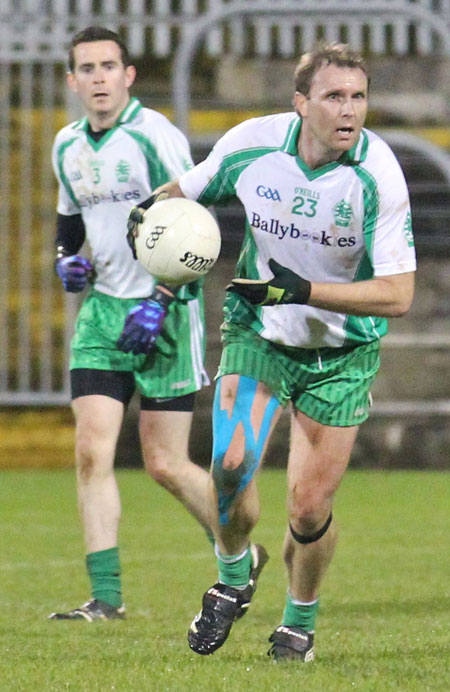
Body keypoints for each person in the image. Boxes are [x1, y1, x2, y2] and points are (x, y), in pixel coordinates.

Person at [150, 42, 416, 659]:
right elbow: (182, 194)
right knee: (232, 463)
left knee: (307, 508)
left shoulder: (377, 175)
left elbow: (400, 294)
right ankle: (234, 574)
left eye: (358, 97)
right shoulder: (253, 144)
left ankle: (298, 622)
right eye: (333, 97)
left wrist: (303, 290)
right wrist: (151, 222)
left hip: (341, 357)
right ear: (301, 104)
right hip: (259, 334)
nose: (349, 111)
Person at [48, 25, 217, 622]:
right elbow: (70, 225)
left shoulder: (156, 138)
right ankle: (106, 597)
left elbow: (196, 224)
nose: (98, 78)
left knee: (165, 464)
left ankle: (236, 557)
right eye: (86, 68)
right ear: (72, 81)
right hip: (104, 314)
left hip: (169, 311)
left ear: (128, 76)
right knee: (92, 450)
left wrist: (162, 298)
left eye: (107, 66)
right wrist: (66, 263)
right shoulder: (66, 145)